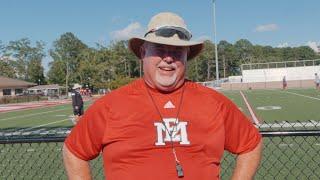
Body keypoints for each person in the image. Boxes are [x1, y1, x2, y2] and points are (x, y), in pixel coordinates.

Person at [63, 12, 262, 180]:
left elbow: (250, 145)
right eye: (160, 49)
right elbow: (74, 151)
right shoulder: (112, 104)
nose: (168, 58)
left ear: (186, 57)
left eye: (177, 51)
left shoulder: (214, 102)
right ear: (143, 52)